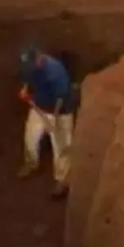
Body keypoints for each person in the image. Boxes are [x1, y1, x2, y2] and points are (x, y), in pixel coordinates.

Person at [17, 45, 78, 199]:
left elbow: (60, 98)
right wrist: (25, 91)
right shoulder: (30, 67)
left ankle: (62, 181)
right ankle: (31, 164)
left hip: (61, 111)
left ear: (39, 57)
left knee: (62, 147)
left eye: (31, 63)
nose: (29, 67)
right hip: (40, 107)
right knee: (30, 137)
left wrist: (55, 121)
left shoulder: (55, 71)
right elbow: (27, 80)